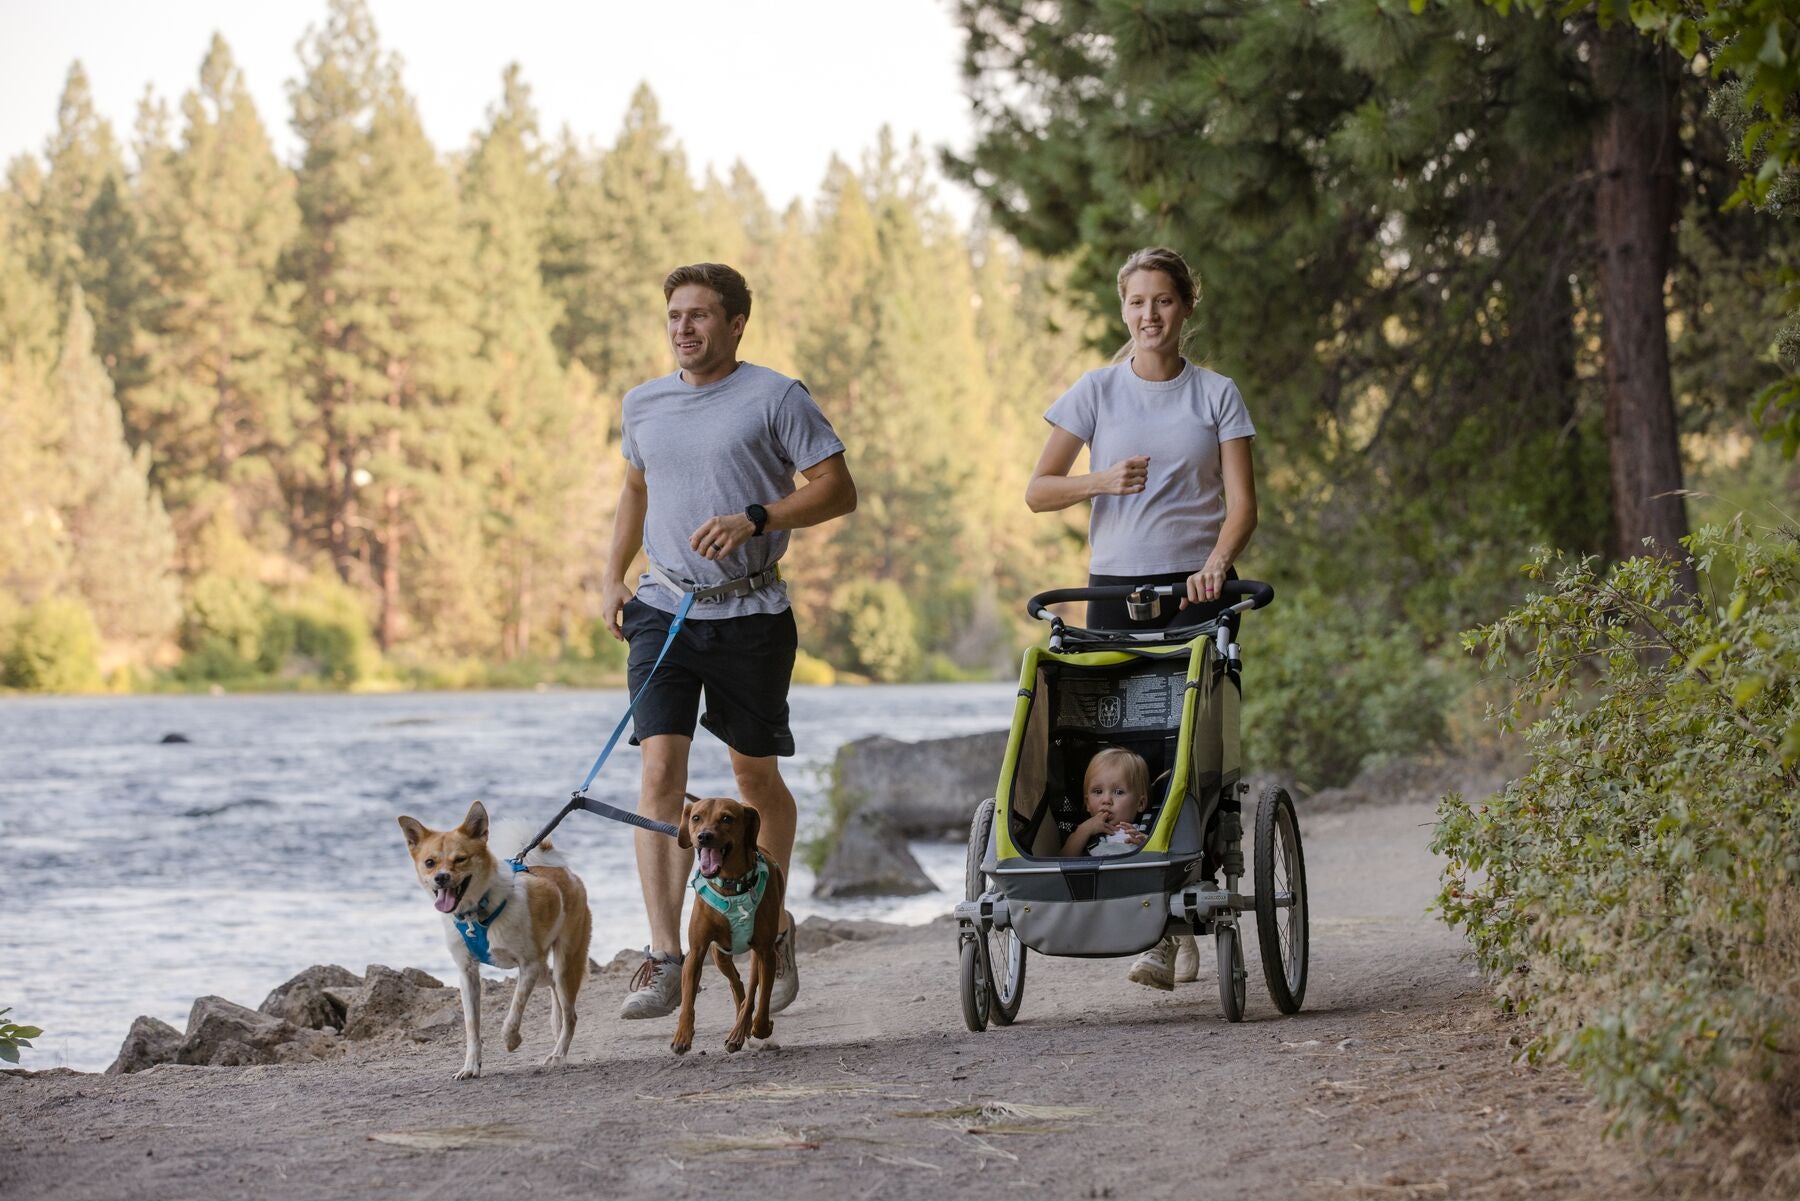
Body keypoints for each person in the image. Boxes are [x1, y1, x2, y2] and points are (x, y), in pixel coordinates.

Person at [599, 262, 857, 1020]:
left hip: (750, 614)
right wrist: (612, 574)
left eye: (701, 315)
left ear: (736, 322)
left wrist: (758, 517)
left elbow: (837, 487)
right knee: (658, 773)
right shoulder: (643, 403)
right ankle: (664, 952)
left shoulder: (777, 396)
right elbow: (635, 488)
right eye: (675, 314)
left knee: (753, 781)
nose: (684, 327)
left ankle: (771, 928)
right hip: (662, 611)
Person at [1025, 245, 1258, 990]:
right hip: (1111, 591)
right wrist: (1099, 478)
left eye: (1163, 300)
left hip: (1196, 589)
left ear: (1186, 306)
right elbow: (1038, 489)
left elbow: (1242, 505)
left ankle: (1175, 922)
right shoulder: (1096, 391)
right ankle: (1133, 897)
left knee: (1188, 746)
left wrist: (1218, 562)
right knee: (1119, 746)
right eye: (1136, 303)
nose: (1149, 315)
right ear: (1122, 309)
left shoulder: (1215, 394)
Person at [1060, 746, 1152, 857]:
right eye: (1098, 791)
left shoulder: (1147, 830)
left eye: (1118, 792)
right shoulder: (1084, 835)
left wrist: (1147, 845)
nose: (1106, 800)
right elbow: (1062, 859)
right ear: (1087, 803)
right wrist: (1083, 831)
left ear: (1140, 803)